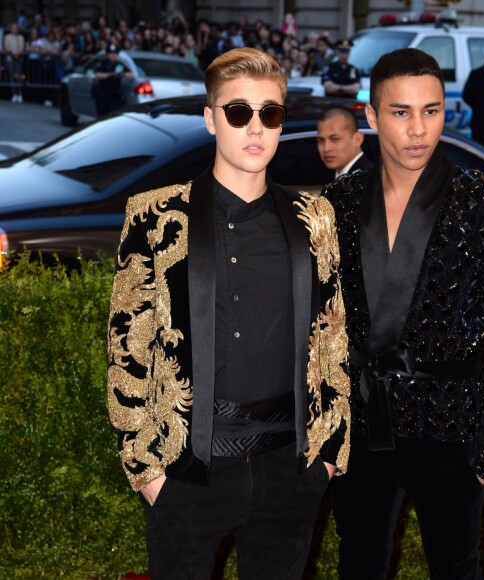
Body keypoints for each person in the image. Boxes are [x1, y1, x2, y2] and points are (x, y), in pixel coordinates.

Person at [107, 47, 350, 579]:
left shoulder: (316, 217)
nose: (255, 127)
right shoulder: (155, 215)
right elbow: (128, 345)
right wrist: (148, 469)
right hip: (186, 468)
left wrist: (327, 455)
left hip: (291, 466)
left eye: (271, 112)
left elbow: (332, 340)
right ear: (210, 119)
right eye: (238, 112)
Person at [322, 48, 484, 579]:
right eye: (401, 112)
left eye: (432, 110)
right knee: (360, 565)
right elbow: (320, 328)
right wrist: (327, 428)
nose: (418, 129)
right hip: (364, 424)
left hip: (453, 430)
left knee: (455, 569)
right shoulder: (339, 202)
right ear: (371, 117)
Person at [317, 106, 373, 179]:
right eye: (321, 140)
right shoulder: (342, 177)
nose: (326, 148)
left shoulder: (369, 179)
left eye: (335, 139)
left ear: (357, 139)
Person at [93, 43, 133, 116]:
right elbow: (97, 75)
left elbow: (132, 75)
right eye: (111, 53)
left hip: (115, 96)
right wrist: (109, 75)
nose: (112, 56)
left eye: (114, 54)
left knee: (113, 116)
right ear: (107, 54)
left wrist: (122, 74)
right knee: (102, 116)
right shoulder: (103, 63)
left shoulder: (120, 64)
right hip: (103, 95)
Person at [3, 22, 25, 103]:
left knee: (19, 77)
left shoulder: (21, 37)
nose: (15, 29)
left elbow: (22, 46)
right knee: (12, 77)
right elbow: (6, 46)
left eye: (16, 27)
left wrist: (18, 53)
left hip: (19, 59)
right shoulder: (7, 37)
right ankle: (14, 94)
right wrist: (12, 53)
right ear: (11, 28)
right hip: (10, 59)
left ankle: (20, 94)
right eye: (13, 27)